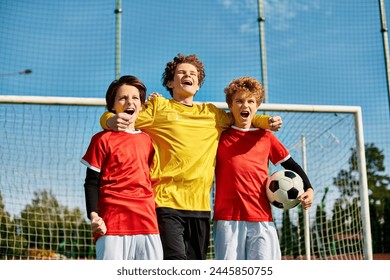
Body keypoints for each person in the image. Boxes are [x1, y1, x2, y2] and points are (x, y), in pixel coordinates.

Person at [99, 54, 283, 260]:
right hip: (165, 202)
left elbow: (241, 114)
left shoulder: (212, 114)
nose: (188, 76)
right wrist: (108, 119)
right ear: (170, 82)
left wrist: (265, 121)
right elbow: (124, 114)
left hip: (200, 207)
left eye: (193, 74)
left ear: (198, 84)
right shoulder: (159, 107)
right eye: (181, 73)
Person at [213, 76, 314, 260]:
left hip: (261, 216)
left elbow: (291, 164)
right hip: (227, 219)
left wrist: (309, 188)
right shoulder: (219, 135)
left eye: (251, 101)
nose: (245, 105)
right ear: (230, 106)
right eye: (239, 101)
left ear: (257, 106)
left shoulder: (265, 137)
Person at [81, 75, 163, 260]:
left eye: (135, 98)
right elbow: (91, 182)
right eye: (123, 98)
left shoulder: (149, 140)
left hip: (147, 221)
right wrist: (94, 216)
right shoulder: (101, 139)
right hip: (112, 223)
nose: (130, 102)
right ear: (112, 106)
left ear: (142, 105)